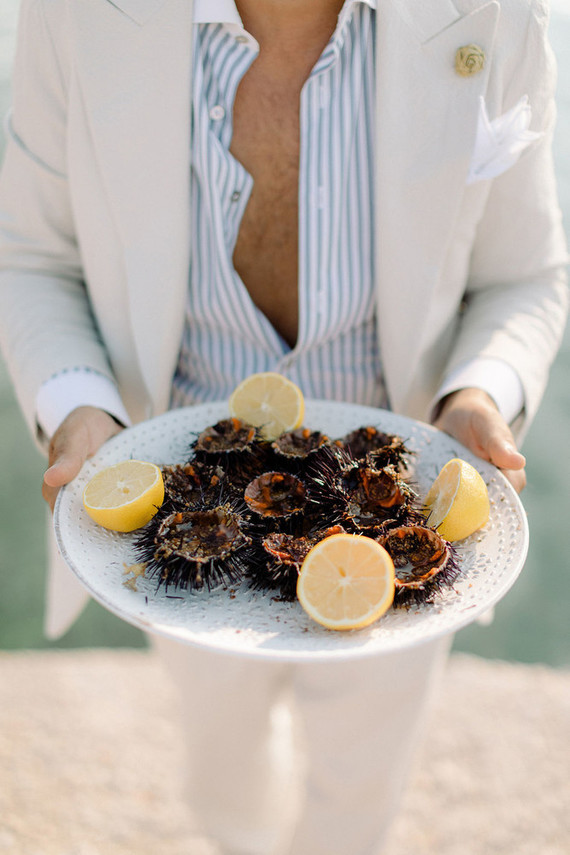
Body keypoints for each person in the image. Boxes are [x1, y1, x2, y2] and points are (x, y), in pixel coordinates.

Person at [0, 1, 567, 853]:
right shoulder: (74, 14)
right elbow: (29, 257)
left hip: (398, 519)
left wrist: (476, 396)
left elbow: (525, 276)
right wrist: (81, 409)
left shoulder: (494, 14)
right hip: (175, 506)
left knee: (363, 793)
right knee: (220, 778)